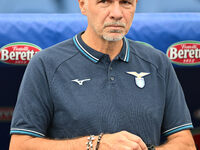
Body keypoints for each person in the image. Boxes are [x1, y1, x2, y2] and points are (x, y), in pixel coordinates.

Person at [9, 0, 196, 150]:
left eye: (125, 3)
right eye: (104, 2)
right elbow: (20, 145)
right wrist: (95, 144)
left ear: (135, 5)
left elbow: (185, 144)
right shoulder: (45, 64)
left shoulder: (158, 62)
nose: (116, 13)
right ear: (83, 5)